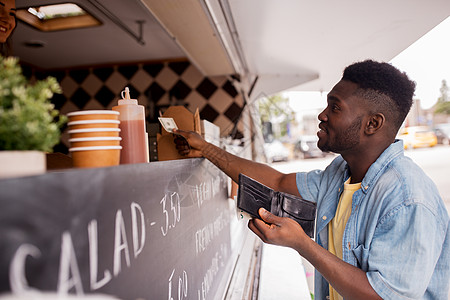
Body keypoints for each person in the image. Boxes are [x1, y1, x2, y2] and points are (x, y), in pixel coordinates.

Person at [174, 59, 450, 299]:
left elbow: (382, 296)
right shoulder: (341, 172)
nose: (322, 115)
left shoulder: (409, 199)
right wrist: (206, 149)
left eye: (335, 107)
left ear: (372, 124)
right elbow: (279, 183)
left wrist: (302, 244)